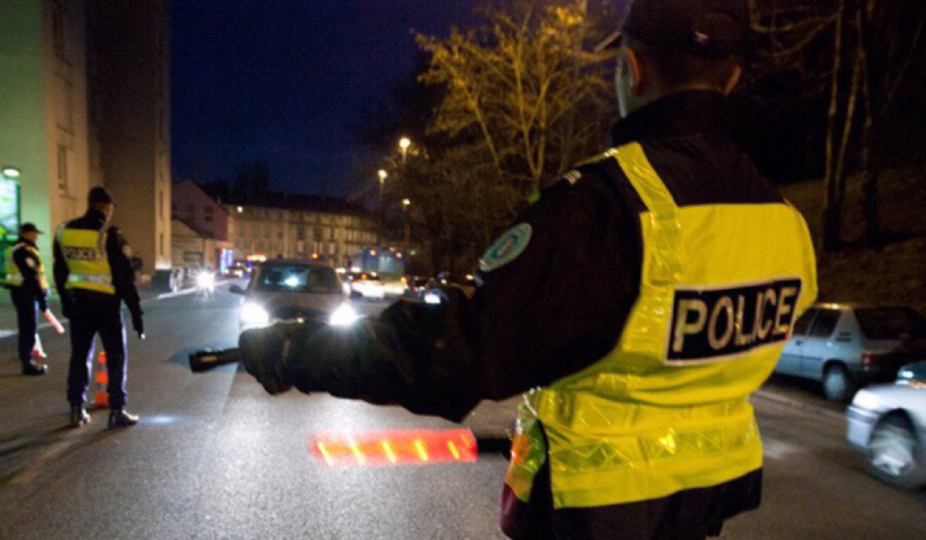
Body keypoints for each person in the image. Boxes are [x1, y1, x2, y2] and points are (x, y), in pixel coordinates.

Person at [237, 0, 818, 538]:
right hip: (700, 509)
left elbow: (459, 351)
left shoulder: (606, 208)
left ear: (632, 70)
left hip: (593, 514)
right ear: (733, 78)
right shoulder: (785, 223)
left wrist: (295, 350)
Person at [54, 186, 144, 429]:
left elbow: (60, 271)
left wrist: (66, 302)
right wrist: (136, 313)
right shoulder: (108, 235)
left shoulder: (65, 232)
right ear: (105, 207)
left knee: (80, 356)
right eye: (110, 208)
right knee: (115, 357)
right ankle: (117, 410)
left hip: (79, 304)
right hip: (106, 306)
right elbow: (124, 278)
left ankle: (76, 409)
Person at [4, 223, 50, 376]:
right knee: (28, 329)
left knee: (27, 327)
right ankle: (27, 364)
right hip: (26, 293)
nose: (36, 236)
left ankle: (27, 360)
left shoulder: (15, 248)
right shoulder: (23, 251)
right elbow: (31, 275)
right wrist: (41, 297)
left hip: (21, 291)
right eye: (34, 233)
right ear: (26, 234)